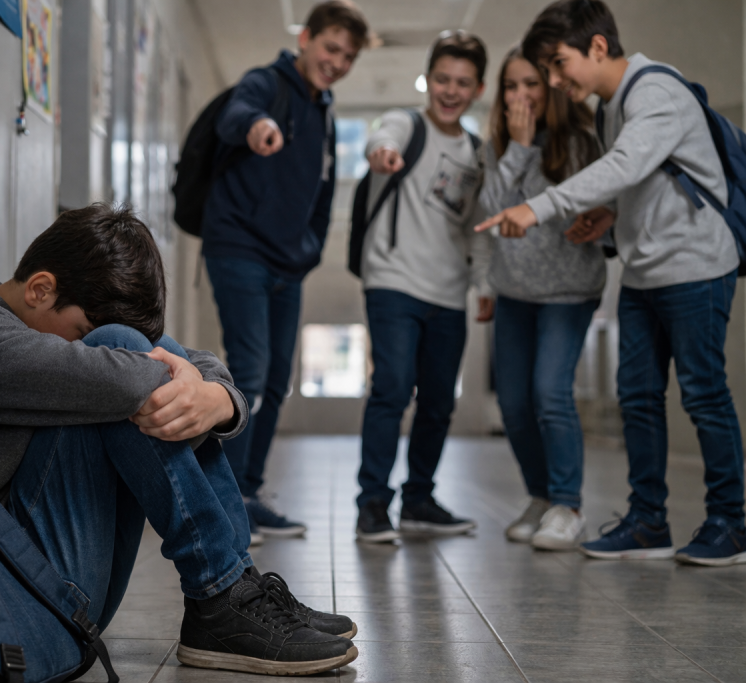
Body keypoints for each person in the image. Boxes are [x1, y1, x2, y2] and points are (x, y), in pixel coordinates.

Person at [0, 204, 359, 677]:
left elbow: (180, 358)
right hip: (16, 602)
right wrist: (201, 388)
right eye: (80, 331)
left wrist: (217, 397)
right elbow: (132, 374)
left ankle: (235, 586)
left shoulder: (22, 315)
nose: (83, 341)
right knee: (129, 358)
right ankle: (220, 592)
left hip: (59, 587)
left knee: (154, 359)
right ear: (40, 289)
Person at [477, 0, 746, 565]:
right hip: (645, 270)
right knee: (638, 400)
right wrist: (609, 213)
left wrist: (539, 207)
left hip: (696, 266)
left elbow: (624, 164)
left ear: (597, 47)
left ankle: (731, 522)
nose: (553, 81)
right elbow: (642, 179)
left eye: (557, 64)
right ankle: (648, 521)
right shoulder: (612, 106)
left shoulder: (656, 91)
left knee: (702, 393)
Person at [202, 1, 369, 542]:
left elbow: (323, 187)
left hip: (287, 262)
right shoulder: (266, 83)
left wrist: (311, 246)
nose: (337, 61)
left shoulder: (325, 110)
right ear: (306, 38)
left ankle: (247, 493)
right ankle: (224, 502)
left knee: (275, 381)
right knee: (249, 370)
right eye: (330, 47)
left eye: (348, 55)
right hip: (238, 249)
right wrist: (257, 125)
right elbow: (235, 115)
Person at [354, 31, 494, 543]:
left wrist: (482, 283)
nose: (450, 91)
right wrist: (383, 152)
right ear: (428, 79)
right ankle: (372, 503)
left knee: (438, 401)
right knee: (391, 388)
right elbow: (380, 135)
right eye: (441, 79)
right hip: (392, 280)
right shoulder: (405, 125)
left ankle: (418, 499)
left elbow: (479, 226)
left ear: (477, 88)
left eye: (462, 83)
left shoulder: (479, 152)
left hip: (448, 292)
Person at [479, 47, 605, 551]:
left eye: (531, 83)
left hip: (568, 292)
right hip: (513, 292)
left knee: (550, 393)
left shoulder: (581, 141)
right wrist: (520, 148)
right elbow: (490, 212)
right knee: (513, 403)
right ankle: (540, 495)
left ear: (551, 85)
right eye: (511, 86)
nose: (521, 95)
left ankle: (568, 505)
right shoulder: (498, 146)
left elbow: (599, 204)